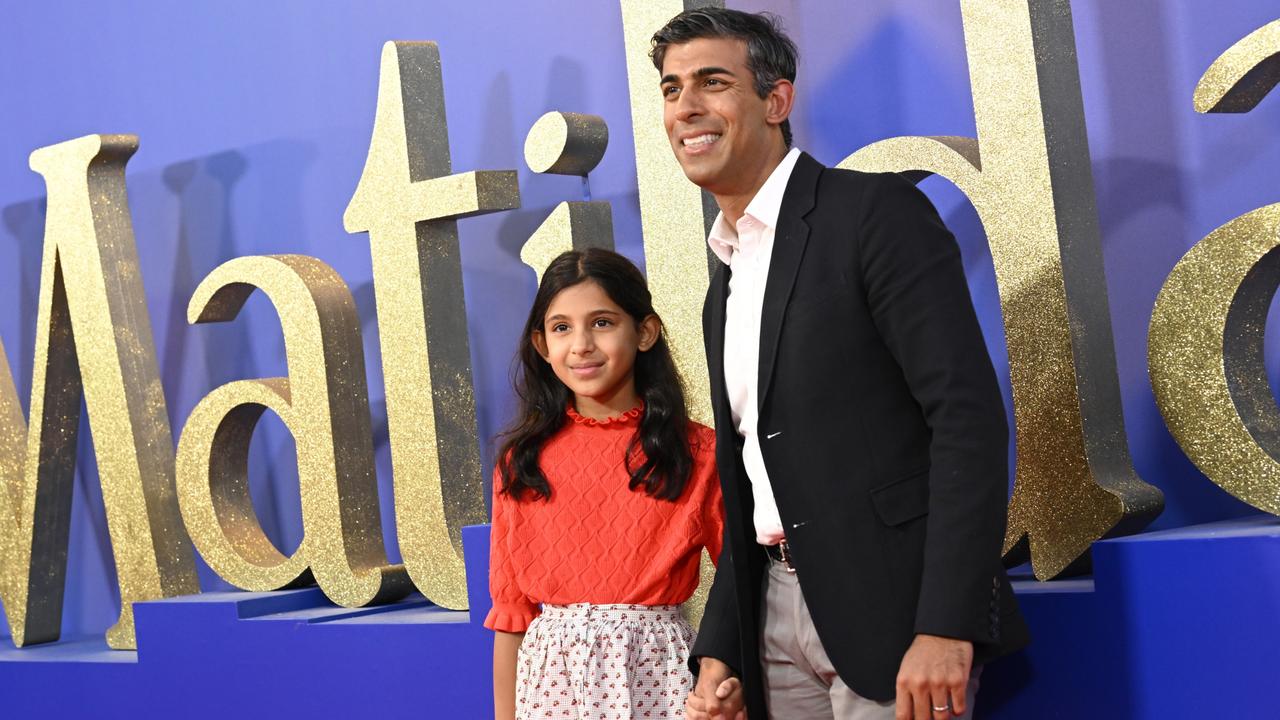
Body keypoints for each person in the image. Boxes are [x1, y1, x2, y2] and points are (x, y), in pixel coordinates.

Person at [650, 8, 1030, 720]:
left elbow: (967, 421)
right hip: (773, 626)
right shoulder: (724, 276)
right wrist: (723, 648)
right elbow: (753, 478)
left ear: (776, 99)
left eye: (712, 82)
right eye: (671, 90)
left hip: (896, 619)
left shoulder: (874, 215)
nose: (686, 108)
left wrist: (947, 622)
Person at [486, 248, 725, 720]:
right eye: (561, 328)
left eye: (601, 322)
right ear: (541, 345)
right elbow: (512, 616)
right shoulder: (521, 462)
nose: (581, 345)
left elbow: (742, 583)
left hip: (662, 680)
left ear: (645, 332)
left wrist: (721, 679)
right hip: (551, 688)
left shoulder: (698, 452)